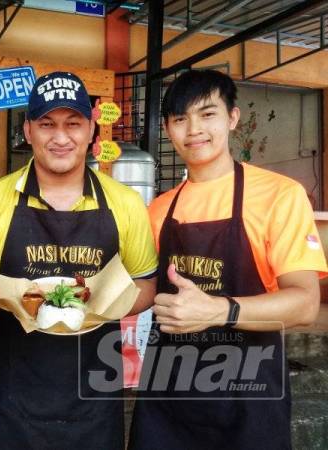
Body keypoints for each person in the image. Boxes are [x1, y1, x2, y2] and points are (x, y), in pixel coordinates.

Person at [0, 71, 158, 450]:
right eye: (47, 124)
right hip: (9, 401)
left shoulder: (125, 203)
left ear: (92, 130)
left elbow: (147, 285)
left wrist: (108, 299)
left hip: (94, 398)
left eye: (73, 124)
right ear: (28, 130)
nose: (60, 137)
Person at [128, 69, 328, 450]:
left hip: (248, 397)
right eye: (180, 119)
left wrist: (218, 311)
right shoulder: (158, 211)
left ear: (232, 118)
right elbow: (142, 291)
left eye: (207, 114)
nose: (194, 130)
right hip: (168, 398)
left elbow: (305, 303)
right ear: (168, 130)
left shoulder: (279, 195)